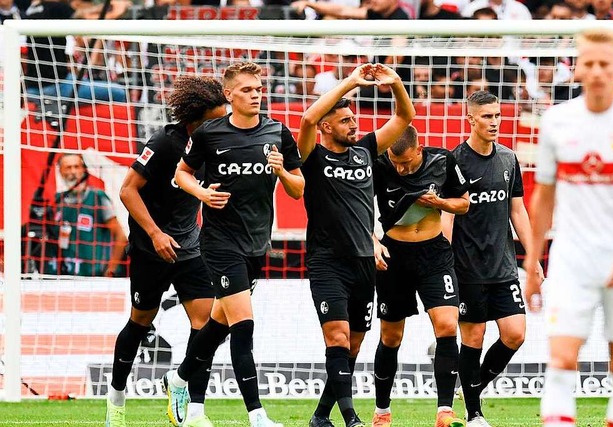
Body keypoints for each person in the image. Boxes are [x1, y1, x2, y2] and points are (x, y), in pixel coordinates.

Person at [163, 61, 305, 427]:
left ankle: (178, 378)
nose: (255, 95)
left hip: (256, 243)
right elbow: (182, 173)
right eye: (246, 90)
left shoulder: (277, 132)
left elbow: (299, 188)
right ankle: (257, 415)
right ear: (229, 95)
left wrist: (281, 171)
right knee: (243, 325)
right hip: (219, 242)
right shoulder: (210, 134)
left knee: (217, 326)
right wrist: (202, 194)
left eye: (258, 89)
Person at [523, 29, 613, 427]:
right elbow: (543, 197)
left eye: (604, 64)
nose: (596, 72)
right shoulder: (557, 121)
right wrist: (534, 262)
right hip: (572, 257)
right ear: (577, 68)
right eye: (587, 63)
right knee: (560, 361)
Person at [105, 76, 228, 427]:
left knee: (205, 324)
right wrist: (155, 233)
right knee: (140, 322)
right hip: (150, 248)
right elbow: (128, 191)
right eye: (213, 119)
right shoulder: (163, 142)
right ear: (193, 120)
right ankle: (115, 400)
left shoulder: (215, 145)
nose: (220, 124)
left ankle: (191, 405)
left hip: (190, 246)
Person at [297, 62, 415, 427]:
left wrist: (395, 83)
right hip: (327, 261)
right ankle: (351, 418)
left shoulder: (365, 151)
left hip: (365, 262)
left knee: (352, 346)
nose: (355, 125)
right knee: (337, 336)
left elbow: (404, 118)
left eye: (354, 119)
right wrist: (349, 81)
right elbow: (306, 120)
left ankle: (320, 417)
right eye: (346, 120)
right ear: (328, 126)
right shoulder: (312, 157)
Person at [443, 90, 543, 427]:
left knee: (515, 333)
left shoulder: (508, 158)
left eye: (498, 115)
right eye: (487, 116)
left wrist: (532, 257)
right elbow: (448, 218)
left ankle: (473, 387)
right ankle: (474, 415)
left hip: (503, 266)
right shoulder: (453, 161)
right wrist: (445, 265)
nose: (494, 122)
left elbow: (518, 210)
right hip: (467, 268)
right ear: (470, 119)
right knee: (472, 338)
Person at [372, 125, 469, 427]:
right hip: (393, 255)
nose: (400, 168)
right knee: (391, 336)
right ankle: (382, 411)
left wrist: (440, 203)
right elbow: (357, 205)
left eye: (406, 162)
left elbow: (464, 203)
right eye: (395, 162)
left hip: (434, 253)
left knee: (447, 325)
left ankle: (444, 410)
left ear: (420, 149)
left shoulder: (443, 161)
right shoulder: (378, 165)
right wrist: (372, 240)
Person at [45, 153, 128, 277]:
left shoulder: (97, 197)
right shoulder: (57, 201)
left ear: (84, 169)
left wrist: (111, 268)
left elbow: (121, 236)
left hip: (96, 275)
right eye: (68, 167)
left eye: (77, 166)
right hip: (66, 276)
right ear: (60, 171)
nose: (73, 171)